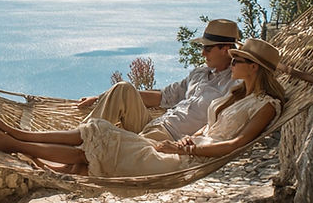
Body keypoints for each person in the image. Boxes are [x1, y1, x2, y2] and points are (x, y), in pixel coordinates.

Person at [0, 38, 286, 177]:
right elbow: (207, 127)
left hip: (184, 159)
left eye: (238, 60)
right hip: (177, 143)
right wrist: (189, 141)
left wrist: (186, 150)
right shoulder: (234, 96)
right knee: (99, 130)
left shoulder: (264, 105)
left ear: (255, 68)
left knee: (96, 142)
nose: (233, 63)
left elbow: (235, 144)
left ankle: (14, 141)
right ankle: (14, 134)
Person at [77, 19, 240, 142]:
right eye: (202, 47)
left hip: (171, 136)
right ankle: (81, 135)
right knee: (122, 88)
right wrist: (102, 98)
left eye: (208, 48)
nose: (203, 53)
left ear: (226, 49)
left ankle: (82, 142)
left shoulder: (235, 85)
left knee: (119, 144)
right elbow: (162, 96)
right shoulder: (199, 73)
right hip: (155, 124)